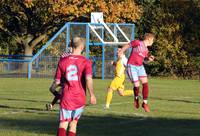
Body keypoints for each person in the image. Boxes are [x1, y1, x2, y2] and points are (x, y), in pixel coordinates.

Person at [53, 37, 97, 136]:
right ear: (82, 47)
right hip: (80, 97)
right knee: (73, 124)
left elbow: (57, 81)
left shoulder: (62, 61)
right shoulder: (86, 62)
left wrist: (62, 83)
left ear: (71, 46)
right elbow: (88, 79)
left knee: (63, 123)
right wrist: (92, 95)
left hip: (67, 97)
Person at [119, 33, 155, 112]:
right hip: (132, 66)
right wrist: (121, 51)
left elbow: (144, 61)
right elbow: (128, 45)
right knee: (137, 84)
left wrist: (149, 60)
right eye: (152, 40)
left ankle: (145, 103)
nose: (153, 42)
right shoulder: (137, 43)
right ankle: (136, 98)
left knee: (145, 83)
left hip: (140, 67)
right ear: (148, 39)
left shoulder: (146, 50)